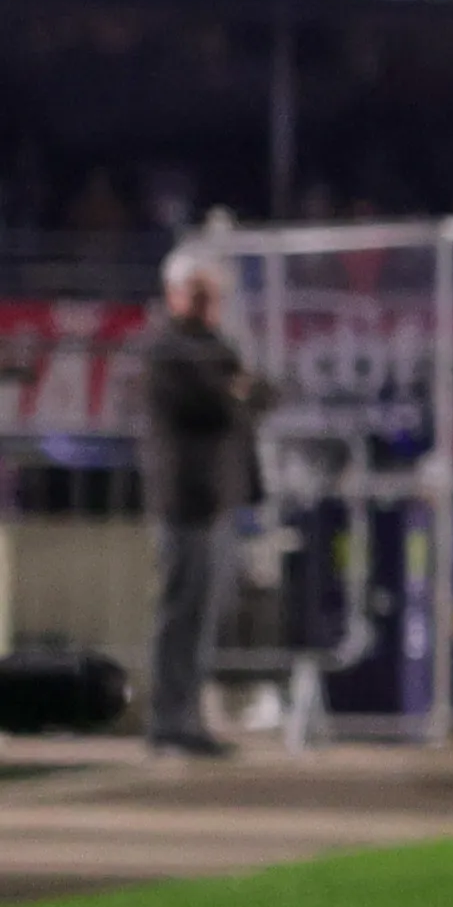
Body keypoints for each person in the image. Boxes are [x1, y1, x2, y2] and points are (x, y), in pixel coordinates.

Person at [137, 251, 265, 758]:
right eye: (199, 292)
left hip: (216, 500)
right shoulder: (165, 348)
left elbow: (259, 393)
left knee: (203, 615)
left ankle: (187, 717)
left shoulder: (214, 346)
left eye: (213, 293)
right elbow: (215, 404)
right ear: (175, 293)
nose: (210, 303)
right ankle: (169, 720)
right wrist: (237, 394)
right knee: (180, 611)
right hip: (183, 500)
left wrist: (240, 394)